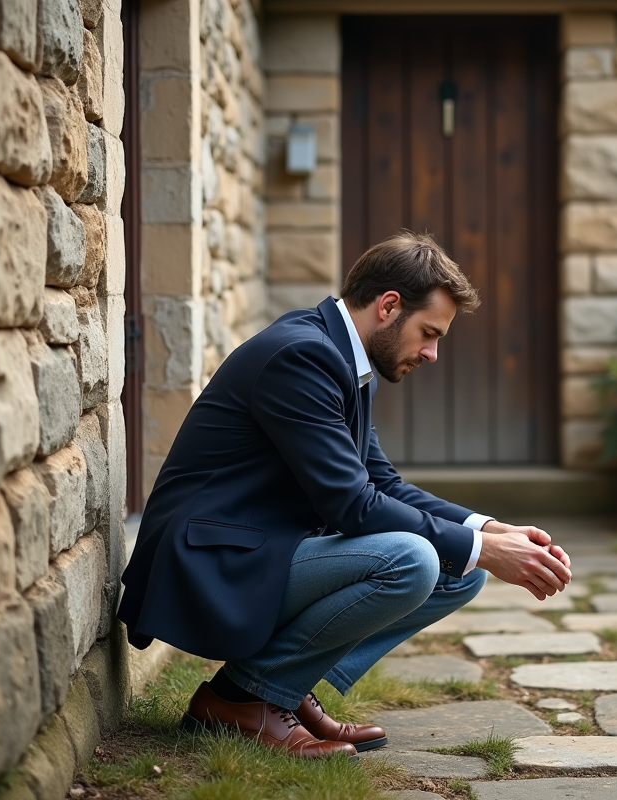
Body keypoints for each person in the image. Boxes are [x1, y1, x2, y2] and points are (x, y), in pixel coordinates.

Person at [117, 231, 573, 760]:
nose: (431, 353)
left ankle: (285, 685)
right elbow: (352, 505)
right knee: (414, 561)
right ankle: (241, 700)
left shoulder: (342, 358)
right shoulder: (302, 357)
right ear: (388, 306)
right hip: (207, 562)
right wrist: (485, 550)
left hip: (256, 549)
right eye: (428, 333)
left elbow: (383, 484)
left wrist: (487, 531)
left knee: (459, 571)